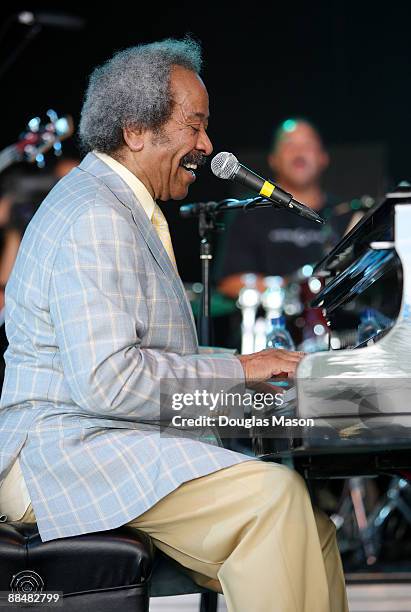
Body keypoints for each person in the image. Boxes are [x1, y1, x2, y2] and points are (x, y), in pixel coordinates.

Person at [0, 38, 347, 611]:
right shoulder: (95, 215)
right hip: (61, 455)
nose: (207, 146)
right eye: (195, 126)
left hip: (102, 438)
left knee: (312, 523)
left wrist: (255, 382)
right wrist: (240, 372)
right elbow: (110, 382)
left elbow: (149, 363)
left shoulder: (114, 204)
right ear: (136, 130)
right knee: (272, 499)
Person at [218, 118, 352, 298]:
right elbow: (229, 283)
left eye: (307, 145)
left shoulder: (345, 214)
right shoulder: (248, 211)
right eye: (289, 145)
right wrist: (288, 289)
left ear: (323, 158)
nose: (299, 152)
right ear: (273, 159)